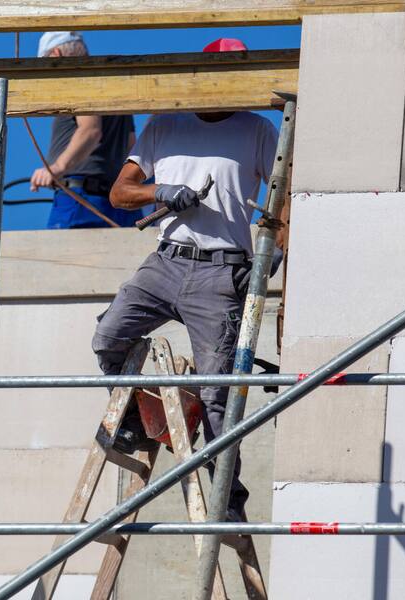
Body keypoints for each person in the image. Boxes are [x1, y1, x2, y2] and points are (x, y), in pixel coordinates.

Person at [91, 38, 280, 522]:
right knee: (110, 335)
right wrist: (162, 191)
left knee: (218, 395)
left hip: (222, 272)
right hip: (166, 261)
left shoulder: (257, 129)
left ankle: (226, 502)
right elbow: (120, 192)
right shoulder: (164, 126)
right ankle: (135, 417)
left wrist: (277, 251)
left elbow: (288, 194)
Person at [30, 31, 142, 229]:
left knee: (60, 258)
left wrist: (56, 168)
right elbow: (132, 146)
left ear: (56, 54)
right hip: (118, 202)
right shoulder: (112, 91)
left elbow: (90, 130)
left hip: (81, 200)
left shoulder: (78, 82)